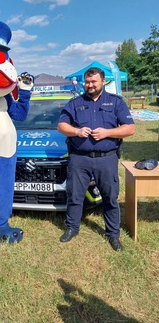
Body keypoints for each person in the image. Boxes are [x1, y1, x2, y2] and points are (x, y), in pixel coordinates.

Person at [57, 67, 135, 251]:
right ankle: (72, 228)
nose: (90, 85)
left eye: (93, 81)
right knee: (74, 195)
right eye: (87, 82)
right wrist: (76, 131)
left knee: (110, 197)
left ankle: (113, 234)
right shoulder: (75, 103)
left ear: (103, 82)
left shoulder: (116, 102)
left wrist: (108, 132)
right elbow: (61, 125)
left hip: (106, 159)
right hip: (79, 158)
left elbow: (130, 128)